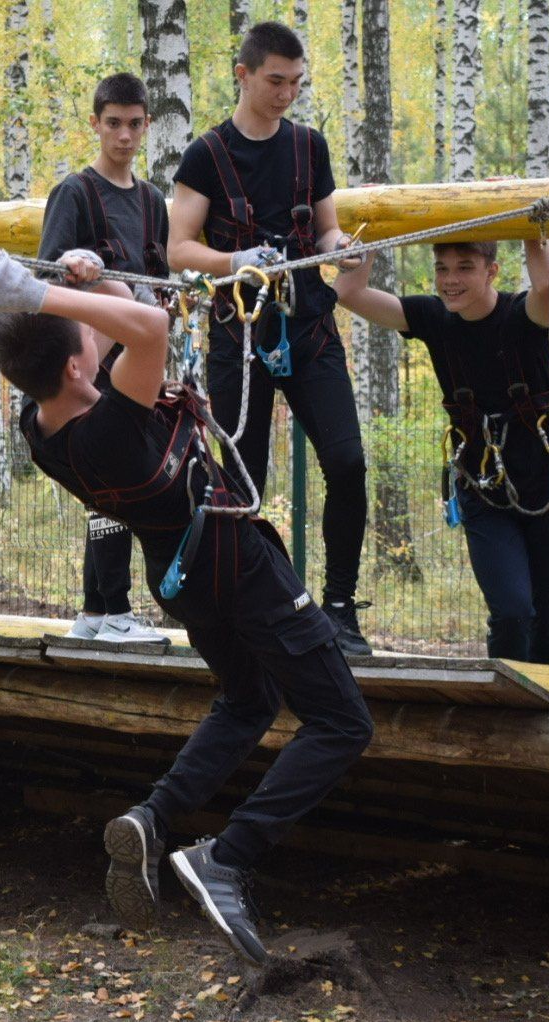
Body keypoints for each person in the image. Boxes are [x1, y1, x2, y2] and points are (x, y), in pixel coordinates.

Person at [0, 234, 373, 966]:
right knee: (342, 721)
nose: (100, 330)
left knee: (248, 701)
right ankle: (228, 857)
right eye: (89, 333)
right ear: (83, 363)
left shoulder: (45, 427)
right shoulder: (114, 423)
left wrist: (86, 286)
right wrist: (41, 296)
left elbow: (135, 327)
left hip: (183, 577)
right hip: (238, 564)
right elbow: (148, 332)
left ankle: (155, 817)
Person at [167, 20, 373, 656]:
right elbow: (178, 247)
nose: (287, 94)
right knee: (244, 480)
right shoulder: (207, 154)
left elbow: (330, 230)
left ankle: (339, 606)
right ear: (244, 75)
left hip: (309, 326)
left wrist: (347, 250)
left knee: (347, 463)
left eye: (296, 83)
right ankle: (260, 609)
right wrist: (238, 260)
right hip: (240, 336)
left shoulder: (310, 147)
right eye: (276, 81)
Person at [334, 238, 549, 665]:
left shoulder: (524, 315)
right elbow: (350, 294)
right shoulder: (433, 318)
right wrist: (366, 241)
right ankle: (506, 711)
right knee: (512, 613)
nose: (450, 280)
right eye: (442, 268)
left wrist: (528, 230)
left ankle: (547, 725)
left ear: (492, 271)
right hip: (484, 492)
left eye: (464, 267)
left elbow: (547, 290)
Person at [37, 72, 171, 645]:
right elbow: (41, 277)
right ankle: (111, 608)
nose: (124, 135)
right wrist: (74, 261)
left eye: (134, 124)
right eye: (113, 123)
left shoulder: (150, 202)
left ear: (147, 126)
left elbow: (157, 284)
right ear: (95, 124)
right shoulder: (75, 192)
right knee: (113, 485)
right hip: (86, 370)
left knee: (110, 491)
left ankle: (98, 610)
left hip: (138, 364)